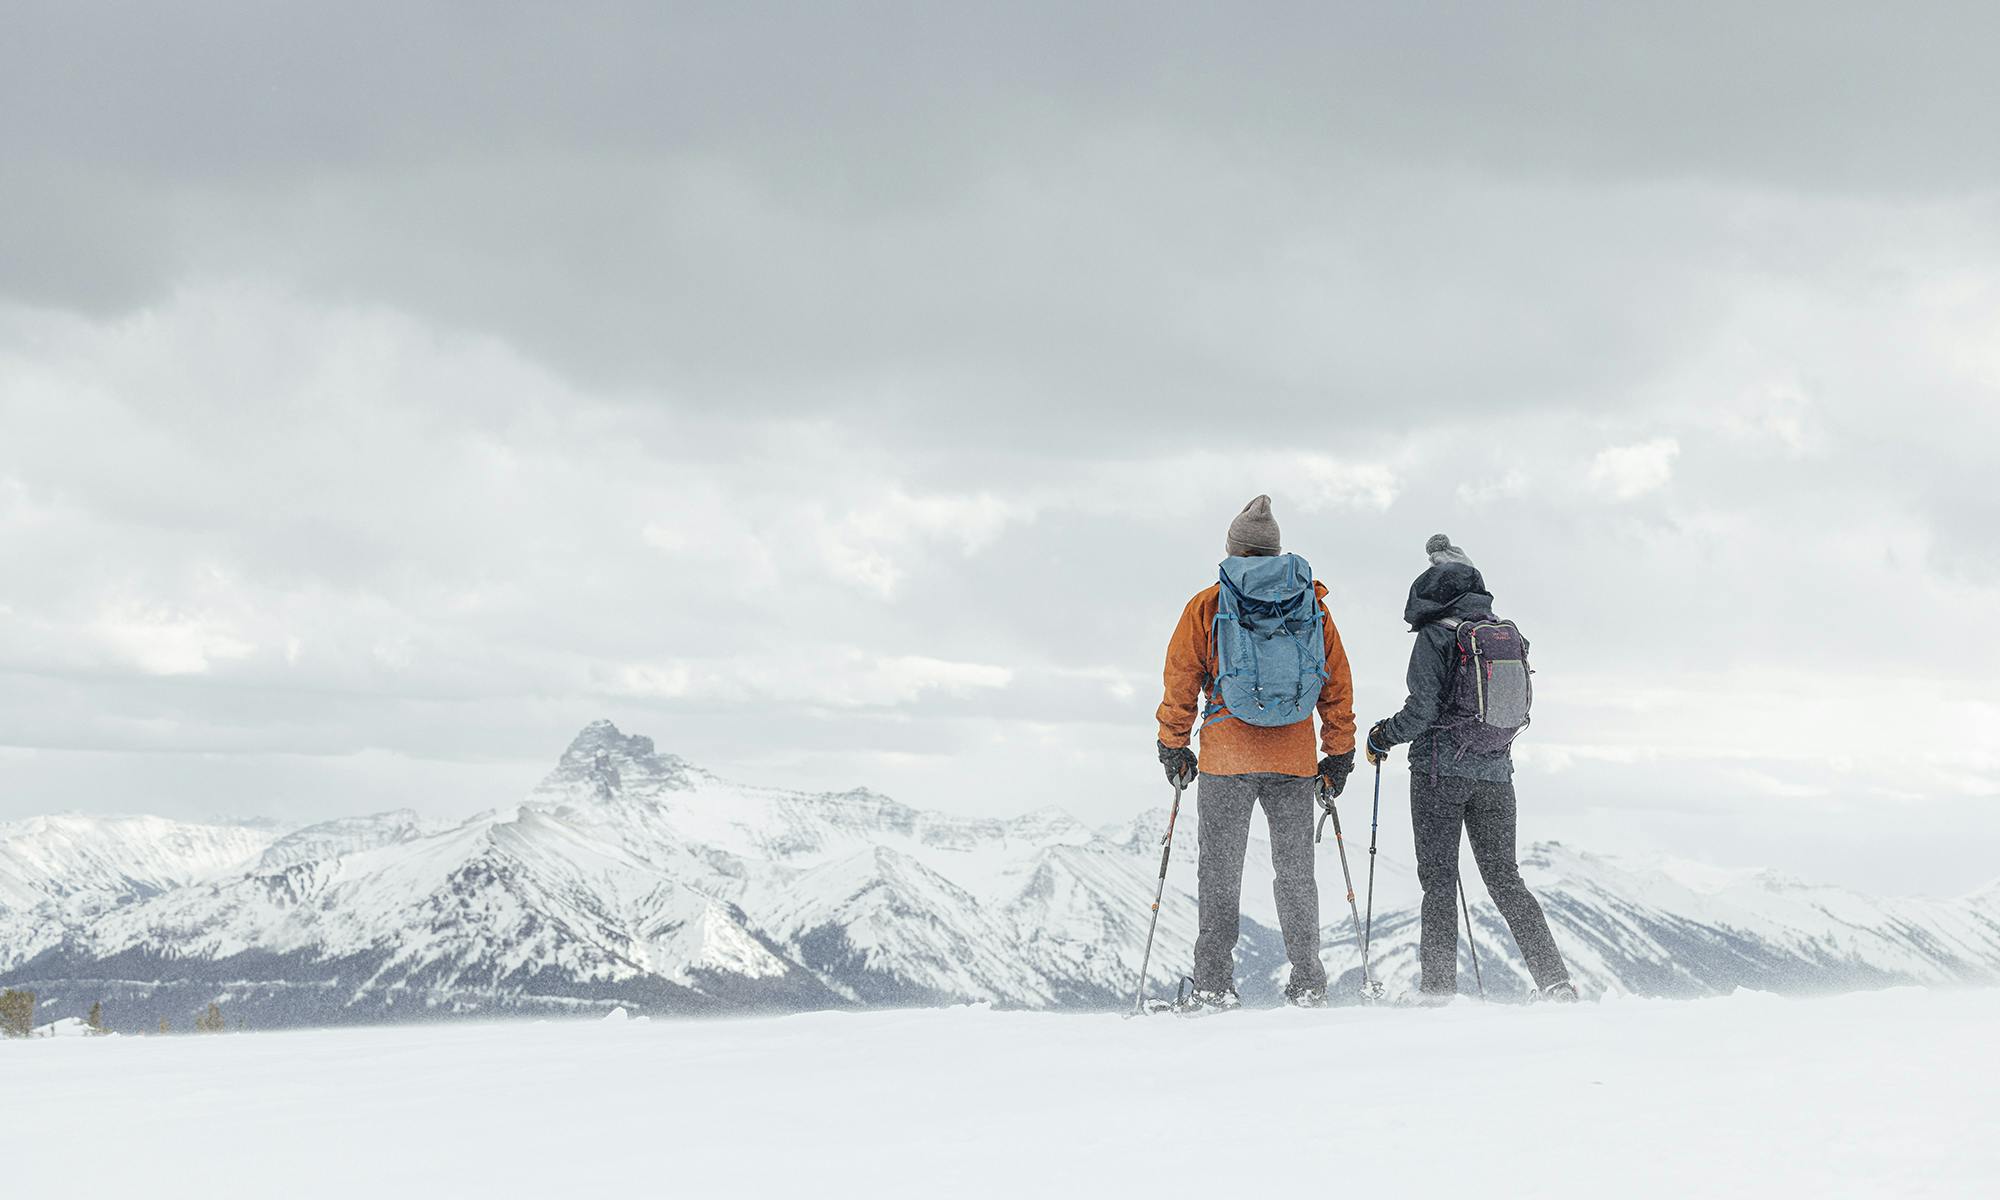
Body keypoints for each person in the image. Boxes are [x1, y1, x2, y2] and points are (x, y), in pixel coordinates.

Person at [1155, 495, 1356, 1010]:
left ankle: (1213, 985)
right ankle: (1309, 981)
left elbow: (1181, 678)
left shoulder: (1209, 605)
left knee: (1220, 871)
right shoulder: (1311, 605)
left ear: (1233, 549)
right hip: (1293, 756)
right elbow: (1336, 685)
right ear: (1276, 550)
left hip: (1226, 756)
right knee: (1294, 874)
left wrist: (1173, 744)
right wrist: (1338, 753)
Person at [1364, 534, 1577, 1002]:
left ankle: (1438, 990)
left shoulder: (1436, 636)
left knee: (1439, 881)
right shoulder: (1500, 634)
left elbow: (1421, 712)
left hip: (1441, 773)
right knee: (1506, 878)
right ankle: (1555, 981)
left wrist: (1382, 735)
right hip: (1498, 773)